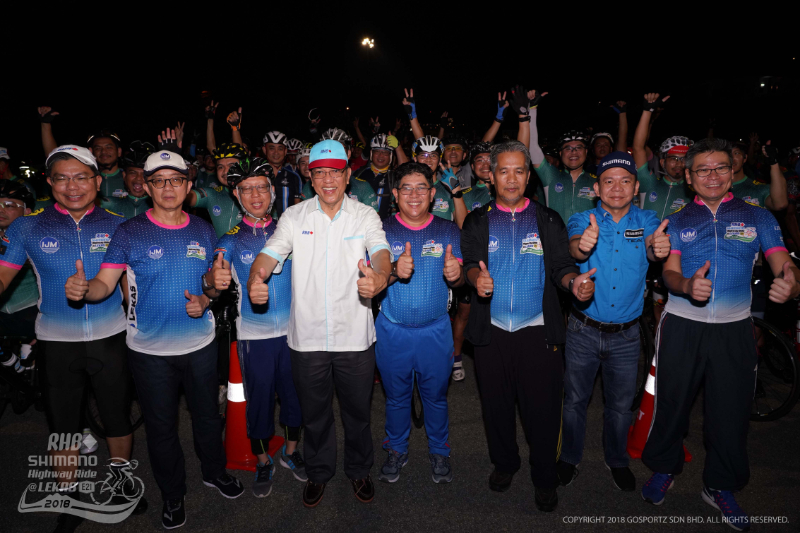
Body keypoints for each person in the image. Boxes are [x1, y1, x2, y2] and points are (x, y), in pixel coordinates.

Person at [67, 150, 243, 529]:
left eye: (175, 179)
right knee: (161, 428)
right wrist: (85, 289)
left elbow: (211, 285)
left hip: (200, 344)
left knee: (208, 418)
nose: (168, 187)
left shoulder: (202, 230)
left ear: (188, 185)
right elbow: (105, 284)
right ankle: (173, 493)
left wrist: (208, 297)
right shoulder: (129, 232)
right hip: (149, 351)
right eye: (159, 180)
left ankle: (214, 472)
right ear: (147, 187)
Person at [640, 138, 800, 532]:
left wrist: (791, 282)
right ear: (689, 178)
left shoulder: (758, 216)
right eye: (703, 170)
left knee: (730, 412)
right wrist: (685, 286)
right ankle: (664, 467)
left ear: (732, 171)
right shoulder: (677, 219)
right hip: (681, 324)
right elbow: (669, 272)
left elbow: (782, 263)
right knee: (671, 403)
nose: (712, 176)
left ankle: (720, 484)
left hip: (734, 328)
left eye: (721, 168)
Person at [0, 145, 145, 532]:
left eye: (81, 177)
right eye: (62, 178)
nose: (72, 186)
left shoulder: (120, 225)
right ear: (50, 183)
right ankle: (70, 498)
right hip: (56, 341)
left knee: (117, 418)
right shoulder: (27, 227)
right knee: (62, 425)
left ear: (97, 182)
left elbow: (131, 286)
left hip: (111, 338)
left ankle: (121, 485)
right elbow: (2, 275)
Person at [248, 139, 391, 508]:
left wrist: (380, 277)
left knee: (358, 413)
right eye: (320, 173)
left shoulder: (364, 215)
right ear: (310, 178)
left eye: (335, 172)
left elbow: (381, 251)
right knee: (314, 415)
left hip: (355, 337)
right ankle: (319, 471)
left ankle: (358, 469)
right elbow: (269, 253)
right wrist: (255, 278)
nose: (328, 180)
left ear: (348, 175)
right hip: (307, 338)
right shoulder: (294, 217)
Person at [460, 141, 594, 512]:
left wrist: (574, 283)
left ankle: (545, 476)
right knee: (496, 408)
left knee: (543, 411)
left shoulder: (548, 219)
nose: (512, 178)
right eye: (503, 170)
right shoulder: (477, 220)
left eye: (519, 170)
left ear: (529, 175)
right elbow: (469, 263)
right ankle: (505, 463)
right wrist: (476, 279)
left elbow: (562, 267)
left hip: (538, 332)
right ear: (491, 175)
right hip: (492, 332)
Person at [560, 152, 671, 491]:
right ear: (597, 188)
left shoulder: (648, 219)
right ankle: (569, 458)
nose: (617, 187)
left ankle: (617, 459)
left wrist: (659, 248)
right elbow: (575, 248)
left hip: (626, 335)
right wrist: (583, 246)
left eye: (625, 181)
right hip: (583, 328)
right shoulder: (583, 218)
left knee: (621, 407)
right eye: (608, 181)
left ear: (636, 187)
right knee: (574, 401)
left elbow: (652, 248)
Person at [203, 157, 306, 498]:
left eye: (261, 187)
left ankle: (291, 453)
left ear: (272, 191)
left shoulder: (290, 230)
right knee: (259, 403)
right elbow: (213, 281)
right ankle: (263, 461)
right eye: (246, 189)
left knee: (295, 398)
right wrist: (212, 282)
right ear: (236, 195)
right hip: (254, 337)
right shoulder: (230, 240)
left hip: (295, 334)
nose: (256, 195)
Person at [375, 162, 464, 484]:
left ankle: (440, 451)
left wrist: (456, 275)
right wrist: (393, 269)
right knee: (396, 397)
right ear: (396, 193)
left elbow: (460, 278)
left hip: (435, 330)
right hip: (392, 329)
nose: (414, 195)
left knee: (436, 397)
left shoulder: (448, 230)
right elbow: (370, 279)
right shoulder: (380, 231)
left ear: (432, 193)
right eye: (407, 188)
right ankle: (396, 449)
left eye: (421, 188)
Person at [450, 141, 495, 381]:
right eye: (479, 160)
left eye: (490, 159)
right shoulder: (465, 194)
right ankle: (456, 358)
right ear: (472, 165)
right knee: (465, 313)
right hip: (474, 264)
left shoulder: (510, 190)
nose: (485, 164)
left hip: (503, 262)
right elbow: (461, 224)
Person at [633, 93, 694, 219]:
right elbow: (638, 148)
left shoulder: (695, 191)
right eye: (674, 158)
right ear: (662, 162)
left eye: (683, 159)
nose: (679, 163)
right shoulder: (649, 183)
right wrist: (647, 110)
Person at [0, 180, 38, 373]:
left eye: (9, 205)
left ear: (27, 211)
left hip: (32, 312)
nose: (1, 210)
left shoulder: (39, 237)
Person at [185, 142, 246, 237]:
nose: (225, 171)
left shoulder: (258, 193)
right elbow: (179, 195)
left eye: (231, 166)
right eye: (221, 167)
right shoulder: (212, 194)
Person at [354, 133, 402, 220]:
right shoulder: (359, 173)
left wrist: (398, 147)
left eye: (385, 152)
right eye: (377, 151)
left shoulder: (395, 178)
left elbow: (407, 171)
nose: (380, 155)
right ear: (371, 153)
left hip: (385, 226)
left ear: (391, 156)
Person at [101, 141, 154, 219]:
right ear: (124, 176)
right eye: (133, 173)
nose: (138, 178)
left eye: (144, 174)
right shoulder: (108, 204)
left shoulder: (160, 207)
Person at [730, 140, 788, 210]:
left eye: (736, 153)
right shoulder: (718, 189)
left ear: (745, 158)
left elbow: (780, 204)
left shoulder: (759, 189)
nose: (731, 158)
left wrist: (773, 161)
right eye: (727, 154)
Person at [262, 131, 302, 218]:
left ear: (285, 151)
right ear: (264, 150)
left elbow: (297, 209)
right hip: (262, 224)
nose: (276, 152)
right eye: (272, 148)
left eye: (280, 149)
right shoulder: (257, 175)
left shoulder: (294, 177)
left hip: (287, 224)